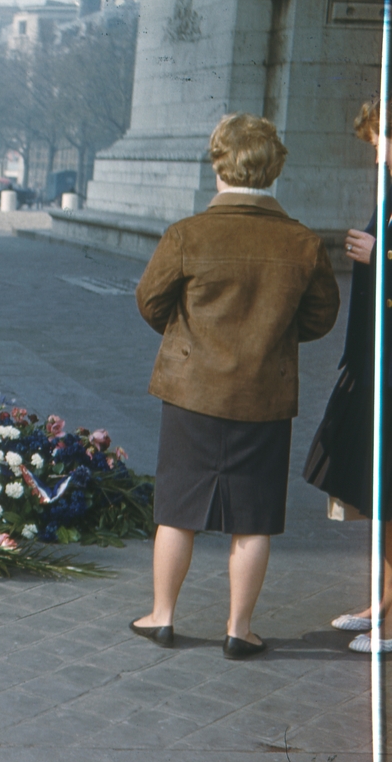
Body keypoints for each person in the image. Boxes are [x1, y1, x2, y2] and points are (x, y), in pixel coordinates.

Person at [130, 113, 340, 660]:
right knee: (253, 519)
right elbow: (320, 320)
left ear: (218, 164)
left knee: (177, 510)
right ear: (275, 169)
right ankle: (239, 628)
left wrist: (193, 337)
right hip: (263, 398)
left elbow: (151, 303)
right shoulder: (303, 243)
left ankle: (162, 616)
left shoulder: (187, 234)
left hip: (191, 393)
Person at [303, 98, 392, 653]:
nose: (378, 151)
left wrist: (381, 253)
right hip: (375, 361)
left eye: (383, 138)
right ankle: (383, 599)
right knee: (379, 489)